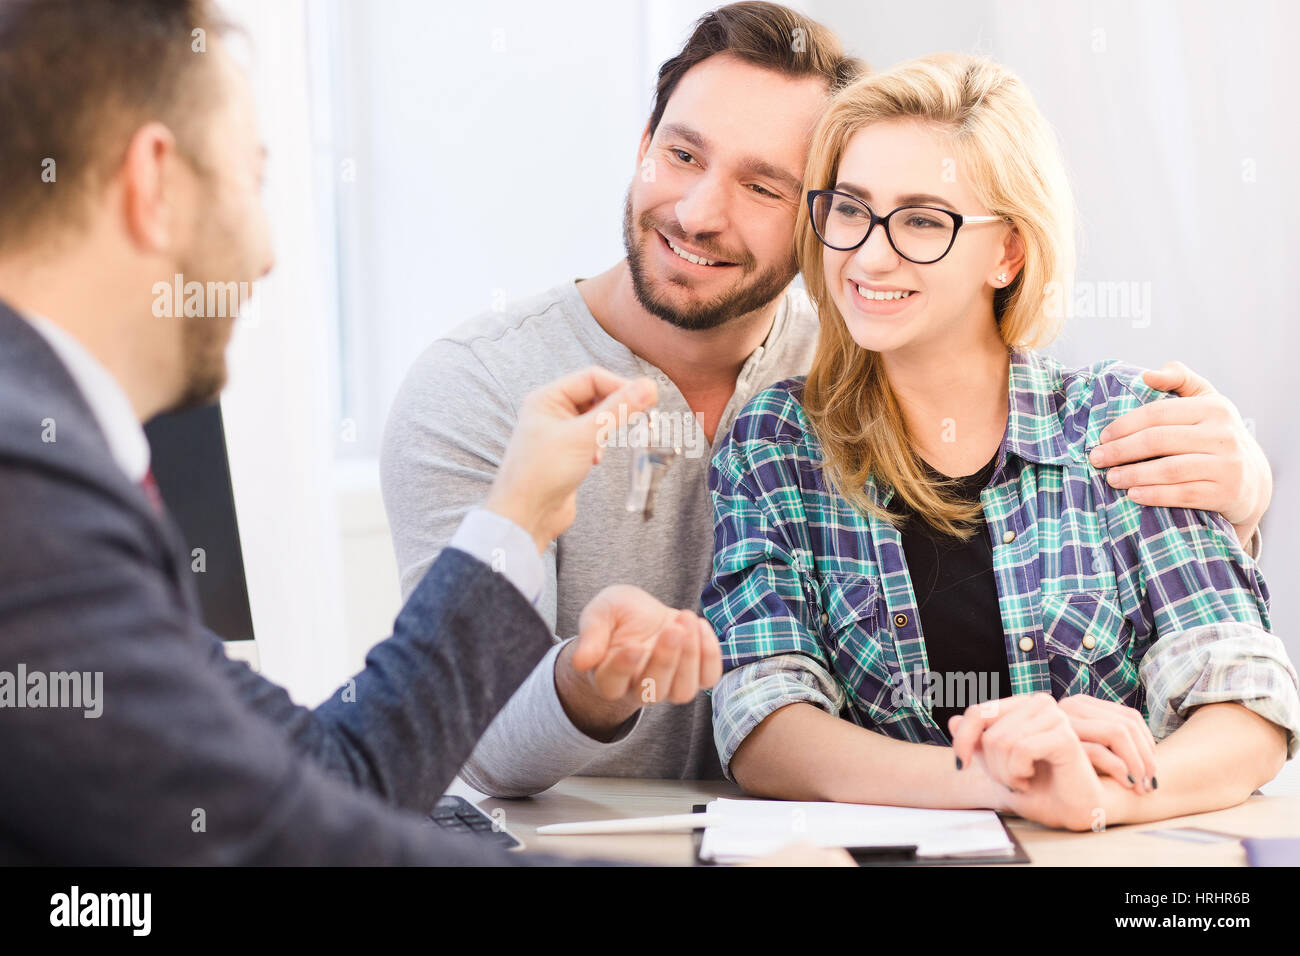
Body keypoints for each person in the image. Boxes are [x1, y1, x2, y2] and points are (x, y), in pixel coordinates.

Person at [0, 0, 830, 867]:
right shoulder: (28, 491)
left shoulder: (49, 469)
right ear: (154, 183)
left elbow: (330, 772)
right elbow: (273, 843)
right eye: (251, 179)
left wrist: (510, 521)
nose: (267, 257)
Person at [381, 1, 1275, 798]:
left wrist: (1247, 492)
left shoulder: (877, 348)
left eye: (764, 185)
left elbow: (1239, 686)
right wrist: (590, 675)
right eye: (681, 153)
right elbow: (472, 731)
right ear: (643, 144)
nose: (697, 212)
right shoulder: (484, 390)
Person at [701, 52, 1300, 831]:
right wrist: (997, 779)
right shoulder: (777, 441)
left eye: (922, 220)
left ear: (1009, 252)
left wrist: (1092, 795)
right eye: (850, 209)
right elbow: (764, 726)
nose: (870, 255)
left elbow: (1245, 705)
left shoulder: (1119, 419)